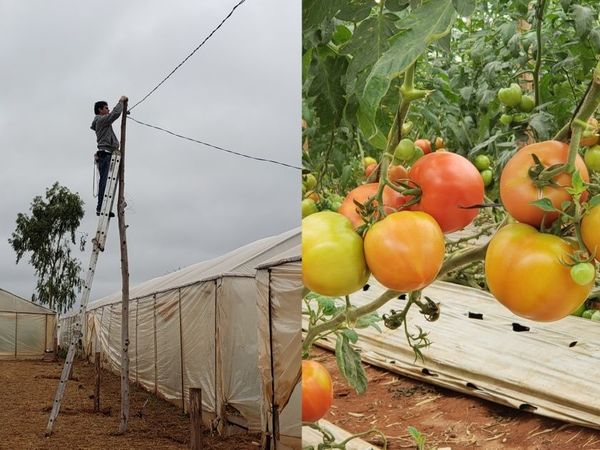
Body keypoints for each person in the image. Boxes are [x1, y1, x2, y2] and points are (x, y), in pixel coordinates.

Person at [90, 95, 128, 217]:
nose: (108, 109)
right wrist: (121, 102)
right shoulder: (101, 120)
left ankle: (105, 207)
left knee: (110, 183)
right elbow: (114, 115)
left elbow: (113, 114)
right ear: (100, 110)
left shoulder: (102, 121)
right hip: (105, 155)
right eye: (106, 108)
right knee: (105, 183)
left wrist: (122, 109)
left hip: (108, 154)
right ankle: (101, 207)